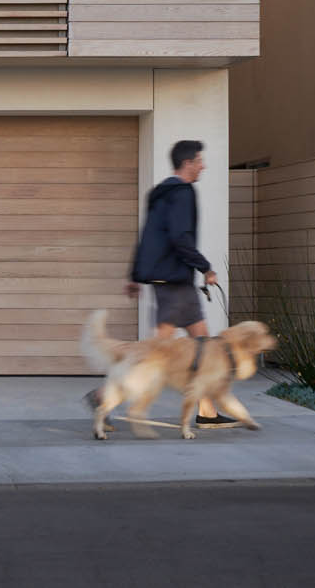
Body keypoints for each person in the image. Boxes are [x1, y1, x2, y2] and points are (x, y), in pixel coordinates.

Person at [125, 138, 230, 425]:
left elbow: (148, 235)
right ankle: (106, 395)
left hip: (172, 283)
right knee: (159, 352)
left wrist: (136, 275)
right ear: (187, 163)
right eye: (199, 161)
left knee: (202, 347)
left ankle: (206, 411)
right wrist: (205, 267)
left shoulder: (159, 193)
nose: (203, 166)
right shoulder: (183, 193)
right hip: (175, 284)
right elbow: (179, 237)